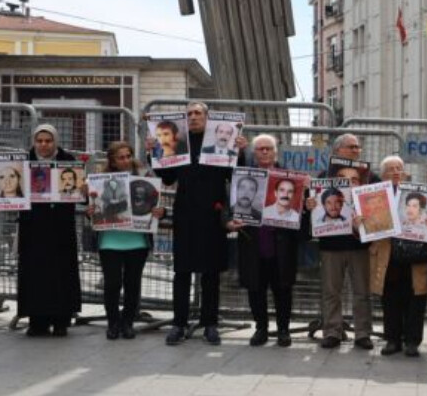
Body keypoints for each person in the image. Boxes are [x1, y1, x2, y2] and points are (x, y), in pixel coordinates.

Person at [148, 102, 246, 346]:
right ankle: (178, 324)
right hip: (185, 215)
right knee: (182, 272)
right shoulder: (180, 143)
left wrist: (241, 152)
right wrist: (152, 153)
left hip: (213, 216)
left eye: (198, 113)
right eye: (189, 113)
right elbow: (167, 178)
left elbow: (235, 176)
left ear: (207, 117)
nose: (193, 117)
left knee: (211, 274)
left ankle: (210, 324)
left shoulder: (222, 141)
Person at [0, 124, 82, 337]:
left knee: (61, 272)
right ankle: (37, 320)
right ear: (34, 142)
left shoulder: (68, 160)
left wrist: (83, 189)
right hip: (33, 226)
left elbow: (78, 192)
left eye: (48, 141)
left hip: (61, 226)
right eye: (39, 141)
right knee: (34, 272)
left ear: (55, 141)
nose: (44, 145)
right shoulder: (22, 162)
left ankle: (61, 320)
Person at [303, 133, 378, 350]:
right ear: (337, 151)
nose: (356, 150)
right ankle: (332, 332)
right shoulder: (323, 177)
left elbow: (379, 208)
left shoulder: (370, 177)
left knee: (362, 292)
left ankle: (363, 334)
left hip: (359, 245)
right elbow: (312, 211)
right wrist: (309, 204)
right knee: (331, 292)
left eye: (357, 147)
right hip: (331, 246)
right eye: (351, 147)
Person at [227, 135, 300, 347]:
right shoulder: (244, 176)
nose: (265, 152)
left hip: (282, 244)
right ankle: (261, 328)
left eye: (269, 148)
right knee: (255, 288)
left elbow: (300, 210)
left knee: (283, 289)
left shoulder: (290, 178)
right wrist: (229, 222)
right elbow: (230, 204)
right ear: (254, 153)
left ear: (276, 152)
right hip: (253, 242)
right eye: (260, 149)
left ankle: (283, 330)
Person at [87, 141, 165, 340]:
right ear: (112, 161)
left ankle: (128, 323)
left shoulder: (145, 176)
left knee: (133, 285)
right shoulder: (101, 180)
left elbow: (157, 204)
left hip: (137, 241)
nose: (125, 160)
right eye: (120, 157)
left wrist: (160, 212)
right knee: (112, 284)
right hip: (109, 241)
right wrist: (91, 211)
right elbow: (93, 209)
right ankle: (113, 323)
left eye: (128, 156)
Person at [367, 156, 427, 357]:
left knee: (416, 299)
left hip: (416, 256)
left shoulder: (420, 194)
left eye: (399, 168)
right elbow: (369, 227)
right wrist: (361, 223)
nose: (396, 172)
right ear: (383, 175)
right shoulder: (377, 196)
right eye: (390, 169)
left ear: (405, 172)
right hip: (389, 255)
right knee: (391, 299)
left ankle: (412, 341)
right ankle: (392, 340)